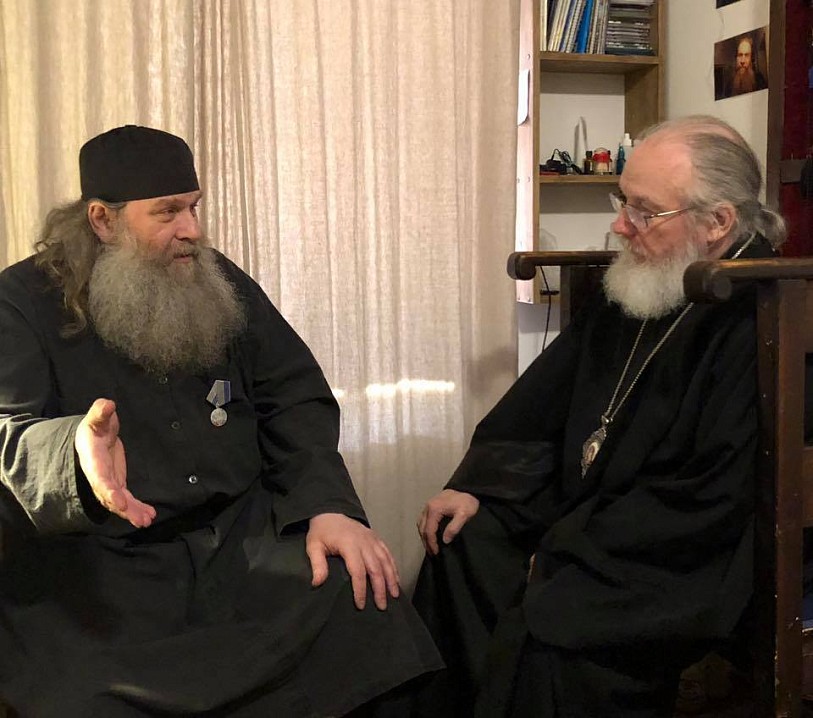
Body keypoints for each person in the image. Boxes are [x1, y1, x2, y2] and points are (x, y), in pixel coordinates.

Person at [0, 125, 442, 717]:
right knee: (84, 695)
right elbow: (7, 432)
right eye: (168, 212)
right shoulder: (21, 301)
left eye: (194, 207)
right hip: (106, 570)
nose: (192, 229)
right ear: (103, 220)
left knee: (371, 610)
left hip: (239, 544)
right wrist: (72, 453)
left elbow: (292, 395)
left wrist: (326, 506)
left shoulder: (215, 278)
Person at [412, 115, 787, 717]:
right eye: (623, 201)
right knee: (460, 544)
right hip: (590, 512)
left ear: (718, 223)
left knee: (555, 627)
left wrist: (566, 549)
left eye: (644, 211)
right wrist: (480, 485)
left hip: (674, 553)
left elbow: (713, 495)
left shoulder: (761, 315)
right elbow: (541, 406)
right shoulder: (649, 277)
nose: (620, 225)